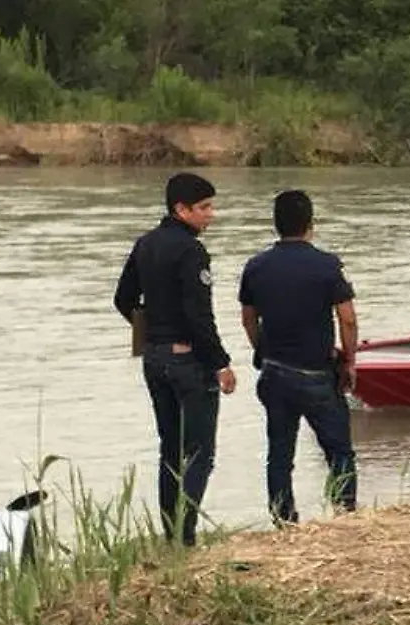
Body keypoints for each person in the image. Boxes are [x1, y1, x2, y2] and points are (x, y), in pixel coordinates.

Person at [113, 172, 236, 547]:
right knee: (200, 452)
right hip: (187, 362)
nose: (210, 215)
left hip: (154, 360)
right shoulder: (190, 250)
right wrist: (221, 363)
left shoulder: (145, 243)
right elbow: (200, 315)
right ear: (180, 209)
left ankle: (171, 533)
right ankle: (185, 535)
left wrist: (150, 338)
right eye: (204, 207)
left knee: (170, 448)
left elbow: (122, 299)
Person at [238, 190, 360, 523]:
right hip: (317, 372)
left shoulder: (256, 266)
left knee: (279, 453)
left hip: (275, 371)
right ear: (310, 223)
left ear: (276, 224)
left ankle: (284, 520)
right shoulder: (326, 265)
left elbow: (248, 318)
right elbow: (347, 318)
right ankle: (344, 514)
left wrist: (262, 350)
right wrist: (349, 361)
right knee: (338, 450)